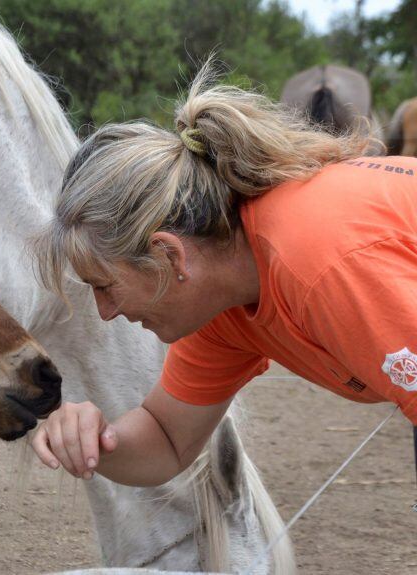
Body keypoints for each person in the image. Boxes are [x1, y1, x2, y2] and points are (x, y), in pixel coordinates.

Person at [31, 61, 417, 487]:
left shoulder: (319, 265)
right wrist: (95, 441)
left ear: (168, 257)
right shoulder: (220, 303)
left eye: (104, 286)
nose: (105, 312)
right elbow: (167, 441)